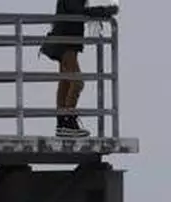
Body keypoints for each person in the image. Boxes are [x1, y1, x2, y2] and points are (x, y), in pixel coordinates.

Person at [40, 0, 119, 137]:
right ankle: (67, 121)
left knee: (66, 82)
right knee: (77, 82)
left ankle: (62, 123)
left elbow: (77, 10)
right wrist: (105, 11)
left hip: (67, 42)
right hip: (65, 43)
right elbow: (77, 10)